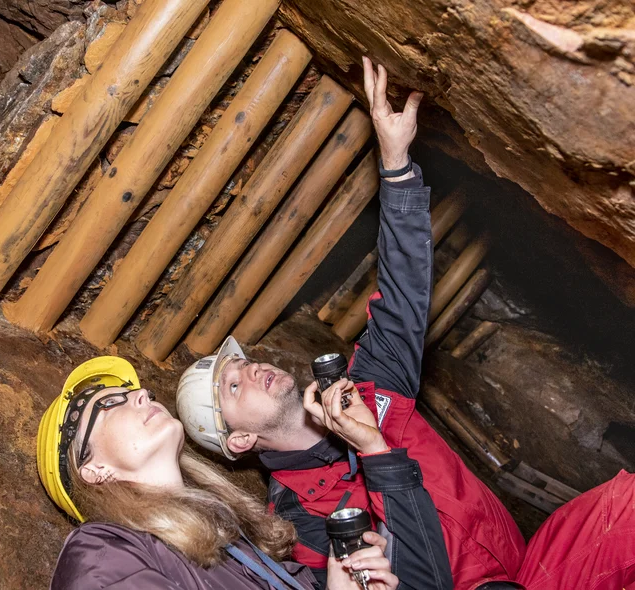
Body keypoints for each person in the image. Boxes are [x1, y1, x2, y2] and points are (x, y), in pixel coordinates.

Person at [176, 56, 526, 590]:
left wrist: (396, 163)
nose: (251, 370)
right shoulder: (296, 525)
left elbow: (403, 295)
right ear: (241, 439)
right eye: (233, 385)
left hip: (529, 559)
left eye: (242, 364)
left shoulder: (367, 390)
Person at [38, 355, 451, 589]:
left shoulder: (242, 543)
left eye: (136, 391)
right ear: (92, 468)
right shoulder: (100, 552)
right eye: (109, 404)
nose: (143, 394)